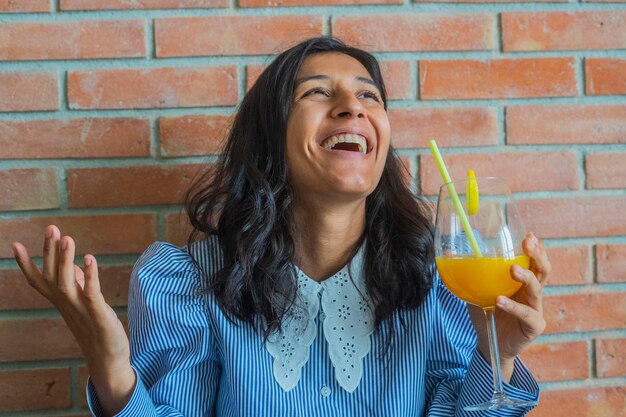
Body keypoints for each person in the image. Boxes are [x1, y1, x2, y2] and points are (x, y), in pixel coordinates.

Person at [11, 37, 551, 417]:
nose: (352, 108)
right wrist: (111, 369)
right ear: (270, 136)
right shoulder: (189, 284)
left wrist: (496, 354)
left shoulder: (440, 280)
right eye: (317, 92)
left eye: (369, 96)